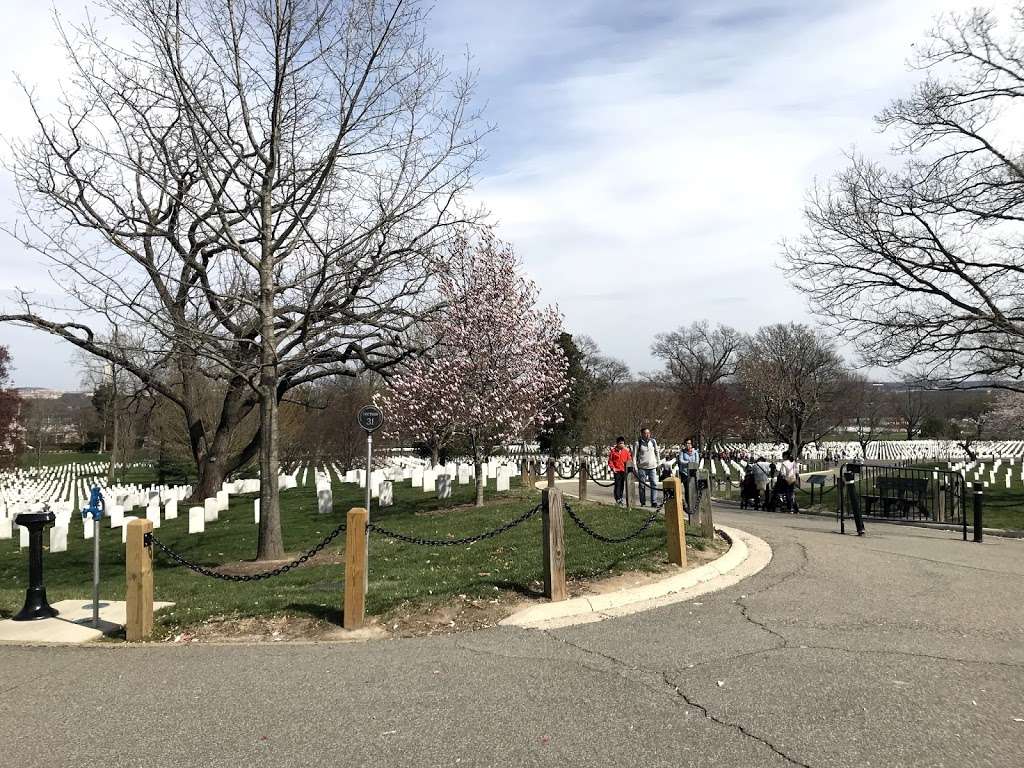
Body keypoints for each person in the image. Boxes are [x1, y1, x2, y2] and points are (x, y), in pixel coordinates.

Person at [633, 427, 660, 507]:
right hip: (642, 467)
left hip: (652, 467)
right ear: (642, 434)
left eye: (649, 433)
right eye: (645, 433)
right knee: (642, 485)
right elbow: (634, 456)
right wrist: (635, 467)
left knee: (654, 484)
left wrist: (658, 463)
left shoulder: (653, 441)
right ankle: (643, 502)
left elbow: (657, 452)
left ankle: (654, 502)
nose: (647, 435)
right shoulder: (638, 443)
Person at [677, 437, 700, 511]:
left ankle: (694, 504)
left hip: (693, 472)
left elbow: (697, 462)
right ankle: (688, 504)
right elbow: (681, 461)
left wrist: (691, 464)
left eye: (689, 443)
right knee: (687, 489)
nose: (688, 445)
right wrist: (689, 463)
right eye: (686, 443)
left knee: (694, 488)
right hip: (684, 473)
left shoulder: (695, 452)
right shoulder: (682, 452)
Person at [607, 436, 631, 506]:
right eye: (620, 443)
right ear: (617, 444)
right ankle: (617, 498)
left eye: (623, 443)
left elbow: (629, 460)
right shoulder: (613, 451)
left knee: (622, 485)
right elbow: (610, 461)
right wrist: (613, 468)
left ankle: (620, 497)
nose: (622, 445)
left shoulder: (626, 451)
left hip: (624, 470)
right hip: (616, 471)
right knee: (617, 484)